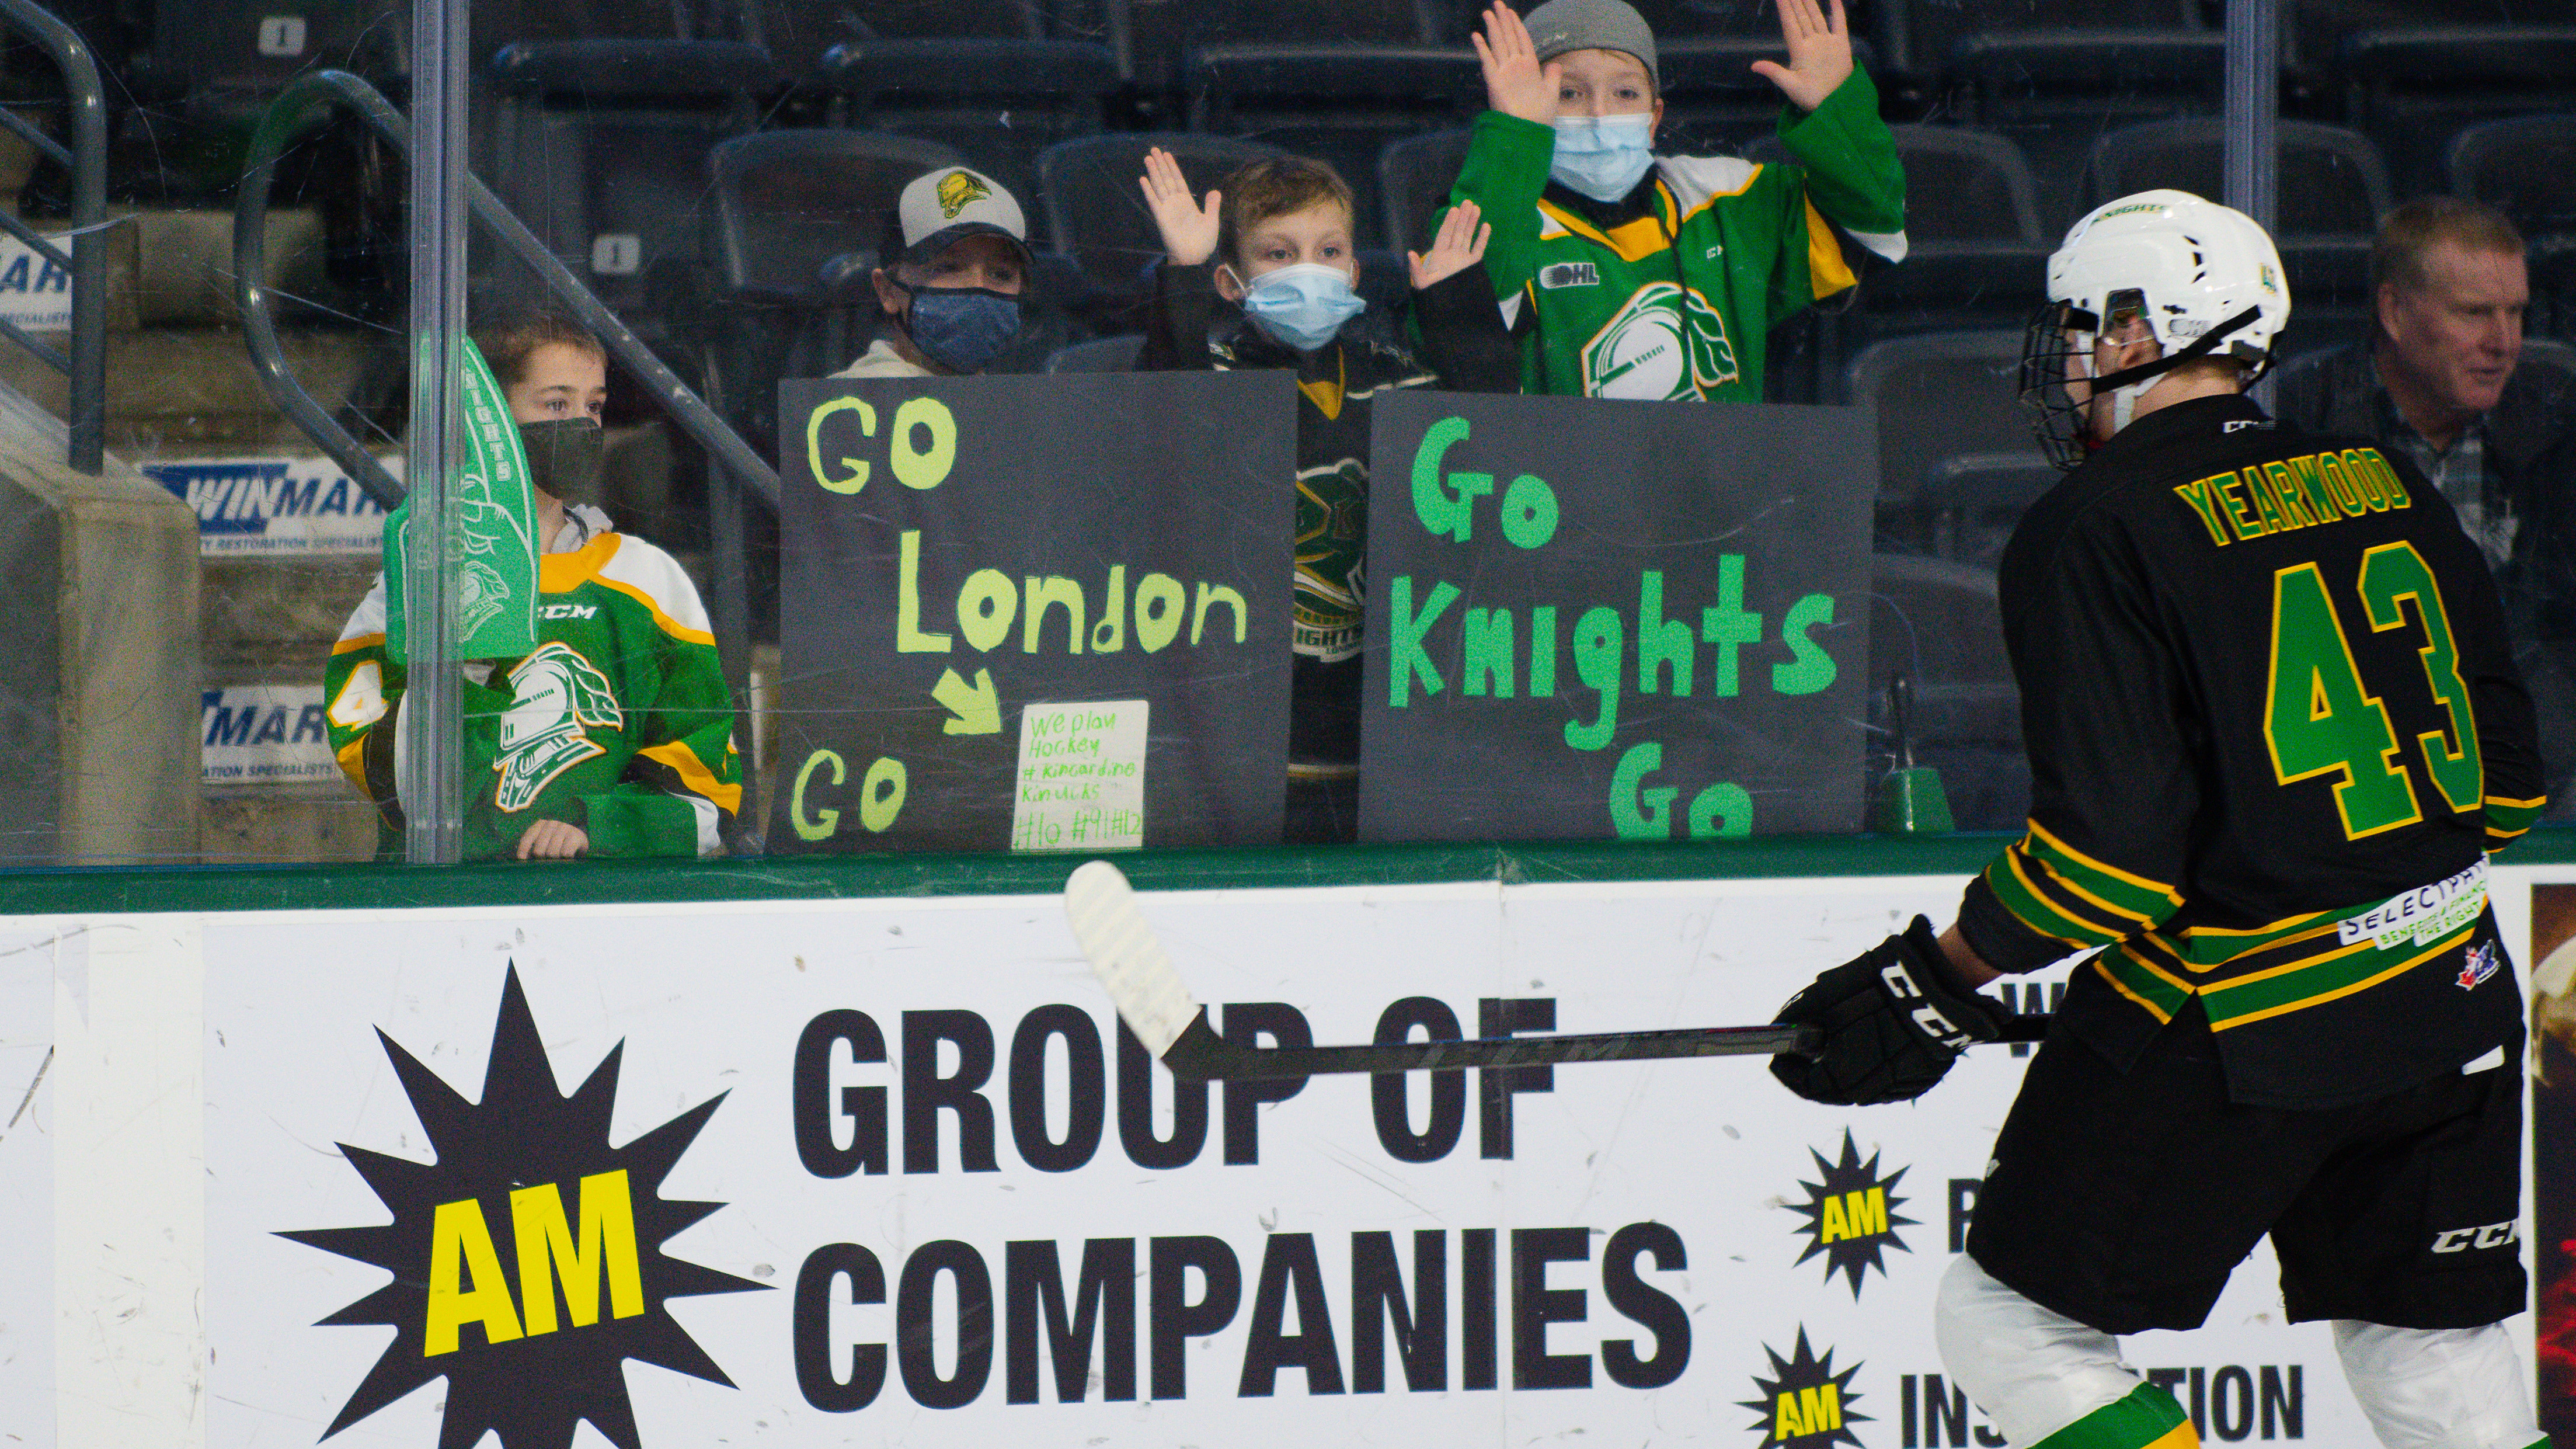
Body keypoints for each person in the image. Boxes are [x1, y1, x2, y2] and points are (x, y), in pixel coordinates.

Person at [1768, 191, 2547, 1449]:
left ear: (2139, 332)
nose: (2069, 362)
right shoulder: (2386, 477)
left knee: (2009, 1325)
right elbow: (2506, 788)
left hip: (2247, 1022)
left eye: (2082, 331)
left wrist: (1934, 976)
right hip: (2452, 995)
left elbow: (2103, 865)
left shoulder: (2096, 524)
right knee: (2430, 1344)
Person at [1134, 150, 1515, 842]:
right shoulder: (1212, 377)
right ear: (1230, 281)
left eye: (1328, 250)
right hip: (1246, 752)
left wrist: (1459, 312)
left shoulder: (1401, 383)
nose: (1308, 269)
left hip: (1382, 750)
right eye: (1278, 254)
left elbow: (1497, 454)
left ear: (1354, 274)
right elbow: (1160, 421)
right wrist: (1182, 275)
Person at [325, 310, 743, 860]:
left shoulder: (648, 579)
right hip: (447, 905)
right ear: (490, 419)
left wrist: (600, 828)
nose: (582, 425)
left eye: (593, 405)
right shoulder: (418, 578)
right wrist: (465, 651)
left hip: (601, 905)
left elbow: (705, 792)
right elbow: (388, 780)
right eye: (556, 404)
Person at [1436, 0, 1905, 401]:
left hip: (1716, 495)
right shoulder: (1498, 211)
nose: (1600, 113)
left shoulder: (1728, 197)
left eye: (1625, 92)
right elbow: (1460, 341)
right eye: (1568, 94)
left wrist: (1836, 110)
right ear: (1525, 105)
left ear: (1655, 116)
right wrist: (1515, 138)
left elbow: (1873, 226)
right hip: (1564, 500)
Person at [837, 165, 1032, 380]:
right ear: (887, 291)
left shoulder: (1021, 402)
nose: (979, 287)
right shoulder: (858, 397)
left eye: (1001, 274)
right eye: (949, 268)